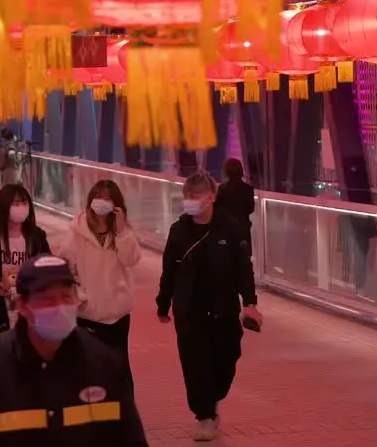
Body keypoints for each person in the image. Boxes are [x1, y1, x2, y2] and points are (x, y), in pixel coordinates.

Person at [0, 255, 148, 446]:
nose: (59, 307)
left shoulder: (105, 363)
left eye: (67, 297)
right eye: (47, 299)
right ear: (22, 305)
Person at [156, 171, 261, 442]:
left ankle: (212, 400)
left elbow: (243, 269)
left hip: (223, 310)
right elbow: (169, 270)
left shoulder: (231, 228)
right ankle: (204, 416)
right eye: (187, 196)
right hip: (189, 312)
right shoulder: (179, 232)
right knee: (196, 366)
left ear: (211, 197)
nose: (191, 200)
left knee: (226, 362)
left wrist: (249, 303)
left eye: (196, 195)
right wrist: (162, 303)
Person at [57, 180, 142, 357]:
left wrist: (121, 232)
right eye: (98, 197)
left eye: (107, 198)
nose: (102, 201)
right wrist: (80, 296)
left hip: (117, 316)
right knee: (90, 369)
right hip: (87, 315)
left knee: (118, 371)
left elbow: (131, 260)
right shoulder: (76, 233)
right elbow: (64, 270)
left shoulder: (121, 232)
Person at [0, 184, 51, 338]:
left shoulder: (36, 237)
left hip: (30, 309)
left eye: (24, 203)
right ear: (4, 207)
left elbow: (48, 268)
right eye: (15, 204)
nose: (21, 208)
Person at [214, 158, 255, 231]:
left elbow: (217, 208)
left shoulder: (222, 188)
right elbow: (251, 209)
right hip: (243, 227)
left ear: (226, 171)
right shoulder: (248, 188)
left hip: (226, 228)